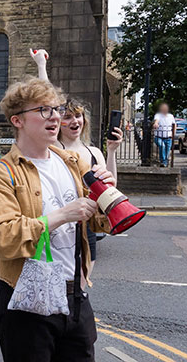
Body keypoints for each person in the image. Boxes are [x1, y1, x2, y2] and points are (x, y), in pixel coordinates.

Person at [0, 77, 114, 362]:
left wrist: (108, 194)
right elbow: (2, 238)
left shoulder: (75, 163)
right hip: (25, 303)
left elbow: (105, 223)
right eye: (43, 110)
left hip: (74, 295)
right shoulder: (2, 175)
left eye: (57, 108)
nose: (56, 116)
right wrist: (63, 215)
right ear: (18, 120)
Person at [31, 49, 123, 260]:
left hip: (87, 224)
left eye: (79, 116)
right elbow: (46, 103)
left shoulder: (93, 152)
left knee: (84, 276)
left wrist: (111, 151)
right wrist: (41, 66)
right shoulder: (54, 148)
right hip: (59, 222)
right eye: (68, 117)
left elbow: (111, 187)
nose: (75, 121)